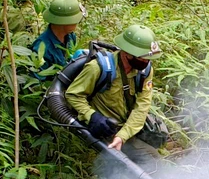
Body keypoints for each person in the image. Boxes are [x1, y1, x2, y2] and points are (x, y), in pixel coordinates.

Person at [65, 23, 168, 166]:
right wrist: (91, 115)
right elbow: (73, 95)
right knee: (113, 170)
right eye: (143, 58)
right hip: (101, 128)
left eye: (148, 58)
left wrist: (123, 136)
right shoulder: (97, 68)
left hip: (124, 129)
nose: (146, 62)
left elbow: (142, 106)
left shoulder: (145, 71)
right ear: (127, 53)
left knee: (155, 163)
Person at [30, 0, 85, 79]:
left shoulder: (70, 37)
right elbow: (36, 82)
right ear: (64, 22)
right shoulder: (42, 47)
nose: (77, 23)